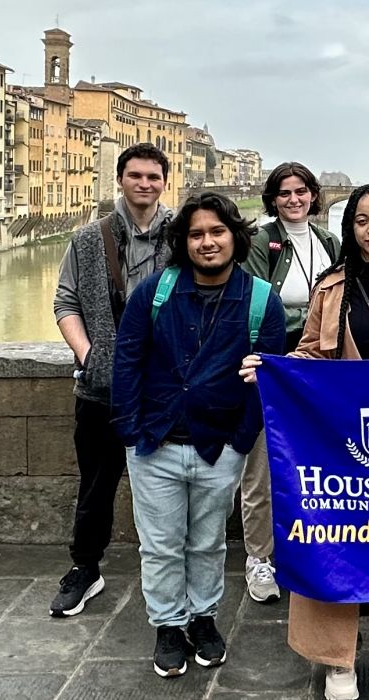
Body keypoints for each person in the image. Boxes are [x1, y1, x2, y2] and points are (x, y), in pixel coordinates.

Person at [242, 182, 369, 700]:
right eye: (361, 221)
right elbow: (310, 353)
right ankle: (338, 657)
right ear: (348, 228)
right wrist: (275, 369)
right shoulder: (329, 288)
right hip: (339, 443)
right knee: (336, 540)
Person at [111, 192, 286, 678]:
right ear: (183, 242)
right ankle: (168, 626)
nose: (207, 243)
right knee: (161, 544)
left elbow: (265, 380)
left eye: (216, 232)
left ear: (235, 236)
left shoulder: (260, 302)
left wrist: (240, 440)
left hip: (219, 448)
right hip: (154, 442)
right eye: (196, 234)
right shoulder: (154, 293)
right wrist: (128, 429)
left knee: (208, 543)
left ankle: (204, 619)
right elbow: (127, 362)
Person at [50, 143, 173, 618]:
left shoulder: (184, 235)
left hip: (164, 391)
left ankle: (171, 577)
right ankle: (85, 568)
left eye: (153, 177)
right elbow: (65, 302)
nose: (145, 184)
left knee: (169, 486)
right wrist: (90, 354)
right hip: (100, 389)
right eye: (136, 176)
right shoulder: (86, 238)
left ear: (165, 182)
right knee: (97, 484)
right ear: (120, 179)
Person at [240, 162, 340, 604]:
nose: (294, 199)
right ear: (273, 199)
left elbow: (345, 294)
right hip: (277, 366)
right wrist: (315, 323)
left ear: (314, 196)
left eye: (302, 191)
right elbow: (258, 301)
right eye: (285, 193)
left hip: (320, 370)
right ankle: (259, 556)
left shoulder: (329, 241)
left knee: (320, 464)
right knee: (262, 464)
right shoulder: (261, 241)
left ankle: (314, 546)